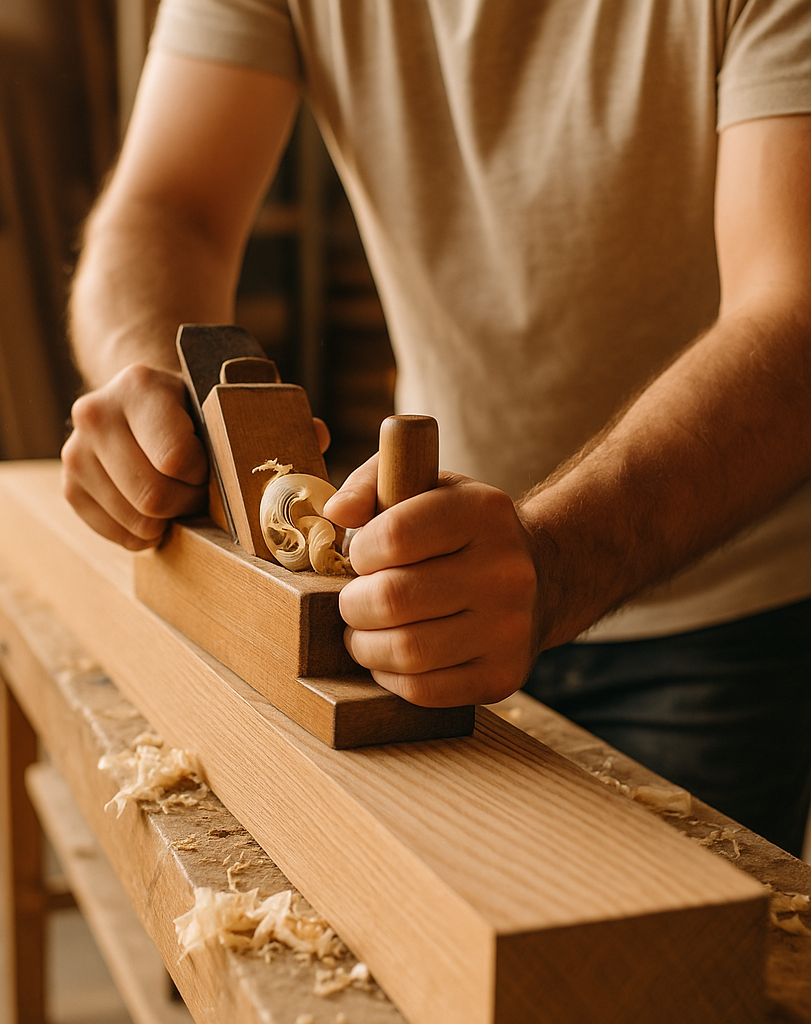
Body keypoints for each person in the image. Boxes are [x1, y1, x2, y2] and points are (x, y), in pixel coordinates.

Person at [60, 1, 811, 854]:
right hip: (417, 594)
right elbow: (170, 207)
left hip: (705, 601)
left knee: (662, 924)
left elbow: (793, 311)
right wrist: (149, 380)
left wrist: (557, 560)